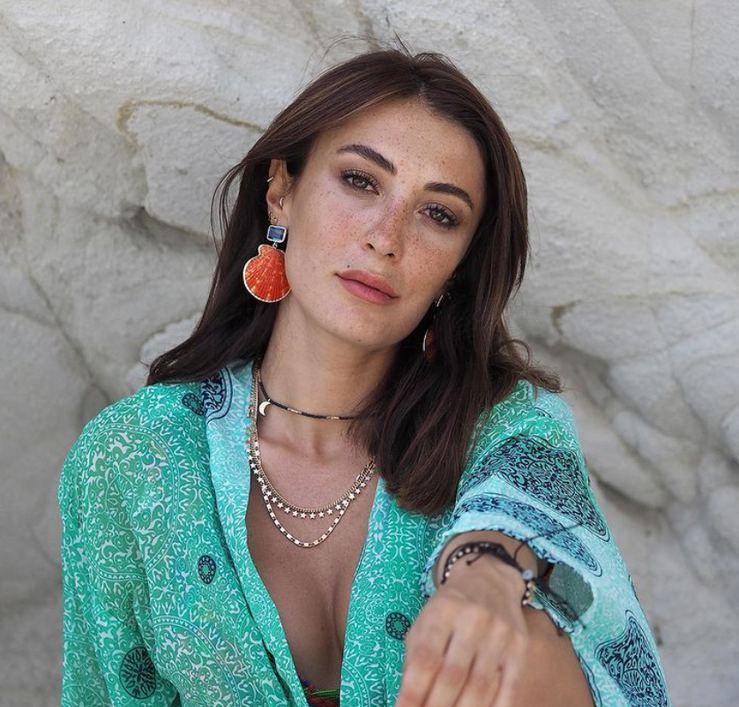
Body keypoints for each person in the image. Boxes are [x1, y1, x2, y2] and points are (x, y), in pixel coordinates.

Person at [57, 42, 672, 706]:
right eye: (360, 180)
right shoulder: (135, 457)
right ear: (282, 192)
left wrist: (487, 572)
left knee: (525, 633)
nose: (387, 237)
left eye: (439, 214)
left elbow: (529, 516)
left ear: (460, 265)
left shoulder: (504, 427)